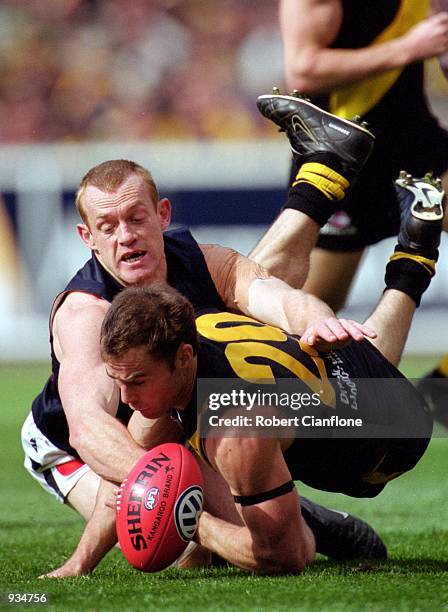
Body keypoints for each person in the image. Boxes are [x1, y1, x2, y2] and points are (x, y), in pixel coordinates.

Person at [21, 154, 382, 577]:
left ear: (162, 215)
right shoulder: (86, 314)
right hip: (73, 452)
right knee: (174, 547)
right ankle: (288, 515)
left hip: (170, 424)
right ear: (88, 237)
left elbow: (275, 295)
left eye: (136, 218)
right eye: (108, 227)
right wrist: (176, 500)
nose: (126, 236)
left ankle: (249, 497)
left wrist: (316, 321)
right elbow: (89, 431)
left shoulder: (202, 260)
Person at [99, 168, 444, 572]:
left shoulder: (233, 428)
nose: (125, 399)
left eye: (136, 381)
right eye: (120, 381)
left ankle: (383, 229)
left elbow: (287, 557)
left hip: (386, 444)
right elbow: (279, 297)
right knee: (162, 438)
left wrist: (194, 525)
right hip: (341, 364)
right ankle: (411, 254)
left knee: (205, 458)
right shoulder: (200, 313)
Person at [249, 0, 448, 419]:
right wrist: (410, 47)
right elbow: (302, 68)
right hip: (342, 155)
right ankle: (239, 415)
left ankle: (440, 393)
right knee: (297, 320)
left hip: (417, 141)